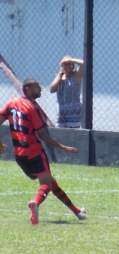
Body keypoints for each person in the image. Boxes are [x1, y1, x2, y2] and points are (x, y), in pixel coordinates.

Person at [0, 78, 85, 225]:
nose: (40, 89)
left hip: (20, 155)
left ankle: (76, 211)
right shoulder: (34, 108)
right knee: (46, 184)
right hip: (34, 152)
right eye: (36, 86)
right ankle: (36, 204)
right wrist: (64, 148)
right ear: (27, 89)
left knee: (51, 183)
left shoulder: (10, 103)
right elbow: (43, 135)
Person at [49, 55, 84, 128]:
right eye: (65, 64)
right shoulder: (59, 77)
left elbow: (84, 63)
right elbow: (52, 89)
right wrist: (59, 75)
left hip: (73, 112)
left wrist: (71, 59)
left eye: (69, 64)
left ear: (73, 65)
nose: (67, 66)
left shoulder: (76, 75)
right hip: (62, 112)